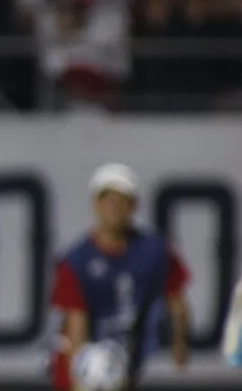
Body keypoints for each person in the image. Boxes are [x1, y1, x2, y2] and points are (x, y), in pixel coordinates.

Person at [48, 162, 190, 390]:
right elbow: (76, 322)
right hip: (86, 360)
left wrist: (179, 342)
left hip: (128, 355)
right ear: (96, 204)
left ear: (133, 205)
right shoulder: (77, 261)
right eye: (108, 200)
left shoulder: (154, 252)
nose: (114, 208)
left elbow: (177, 300)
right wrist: (78, 377)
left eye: (121, 201)